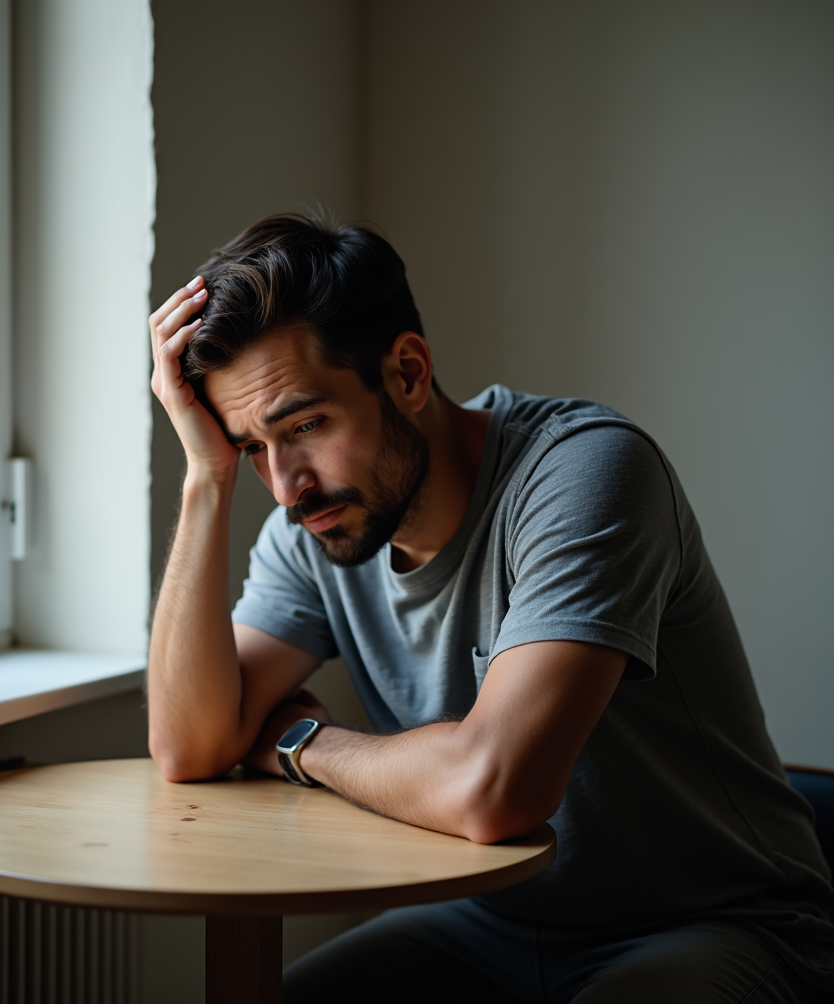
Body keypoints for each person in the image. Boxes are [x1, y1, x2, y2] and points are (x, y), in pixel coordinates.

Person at [147, 214, 833, 1003]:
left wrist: (299, 742)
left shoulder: (585, 474)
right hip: (486, 924)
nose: (287, 486)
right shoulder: (316, 526)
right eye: (251, 449)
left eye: (305, 426)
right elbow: (189, 746)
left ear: (406, 373)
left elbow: (494, 789)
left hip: (719, 924)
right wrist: (206, 479)